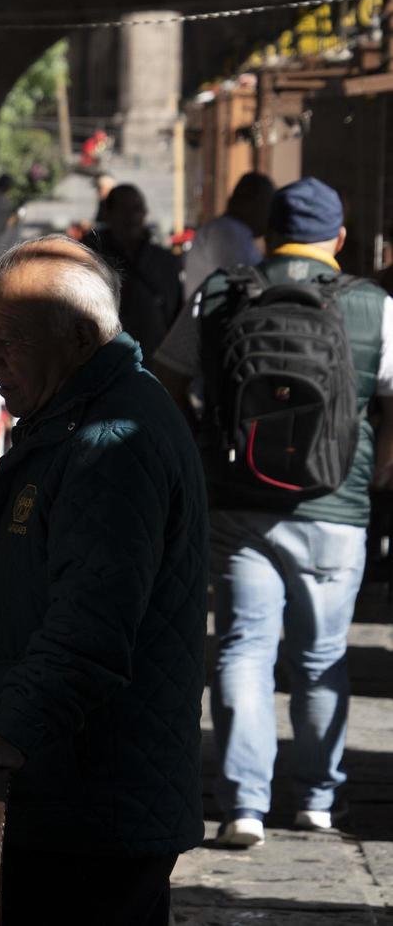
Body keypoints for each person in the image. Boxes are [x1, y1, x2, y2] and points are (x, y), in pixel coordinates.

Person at [0, 235, 207, 926]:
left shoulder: (111, 439)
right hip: (70, 795)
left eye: (8, 339)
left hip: (89, 806)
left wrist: (11, 731)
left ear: (79, 339)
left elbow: (93, 619)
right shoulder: (76, 420)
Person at [154, 177, 393, 848]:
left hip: (237, 504)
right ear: (339, 239)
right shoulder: (374, 305)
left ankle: (243, 807)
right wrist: (377, 466)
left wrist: (203, 447)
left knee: (242, 649)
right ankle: (318, 801)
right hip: (336, 508)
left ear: (267, 233)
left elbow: (168, 377)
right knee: (320, 658)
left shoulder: (223, 292)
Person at [83, 184, 184, 360]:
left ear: (145, 213)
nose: (131, 216)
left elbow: (176, 318)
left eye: (137, 208)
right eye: (123, 209)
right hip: (101, 366)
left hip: (152, 364)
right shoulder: (87, 259)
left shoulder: (163, 261)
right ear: (108, 213)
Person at [182, 172, 275, 301]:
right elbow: (250, 288)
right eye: (267, 206)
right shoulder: (228, 233)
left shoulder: (230, 231)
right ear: (253, 202)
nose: (269, 215)